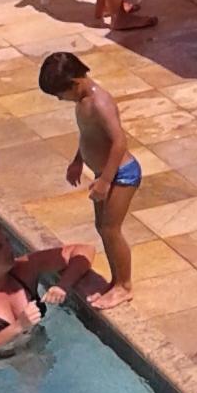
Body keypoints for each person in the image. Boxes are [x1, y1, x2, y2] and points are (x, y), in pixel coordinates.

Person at [39, 51, 141, 306]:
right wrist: (78, 160)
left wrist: (106, 181)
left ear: (74, 83)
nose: (60, 100)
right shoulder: (82, 102)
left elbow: (119, 143)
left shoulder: (99, 102)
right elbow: (89, 135)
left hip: (121, 174)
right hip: (103, 173)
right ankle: (116, 281)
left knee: (111, 229)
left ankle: (124, 286)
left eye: (60, 94)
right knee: (103, 228)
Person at [0, 220, 97, 360]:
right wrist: (18, 326)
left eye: (7, 241)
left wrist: (63, 285)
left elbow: (85, 250)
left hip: (27, 352)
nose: (9, 249)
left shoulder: (24, 270)